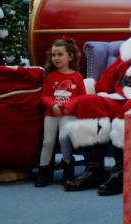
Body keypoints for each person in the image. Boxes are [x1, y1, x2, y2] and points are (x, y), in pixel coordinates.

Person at [61, 11, 131, 195]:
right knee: (86, 102)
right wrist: (94, 91)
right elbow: (107, 79)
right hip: (121, 98)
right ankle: (94, 170)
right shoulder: (126, 54)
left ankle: (121, 172)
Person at [35, 38, 86, 187]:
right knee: (48, 142)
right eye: (53, 55)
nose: (56, 58)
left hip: (68, 114)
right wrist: (53, 105)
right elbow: (45, 95)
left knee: (64, 140)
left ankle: (68, 168)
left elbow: (82, 96)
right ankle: (43, 172)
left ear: (70, 56)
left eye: (60, 54)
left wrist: (70, 105)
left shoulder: (77, 77)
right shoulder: (50, 76)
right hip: (52, 114)